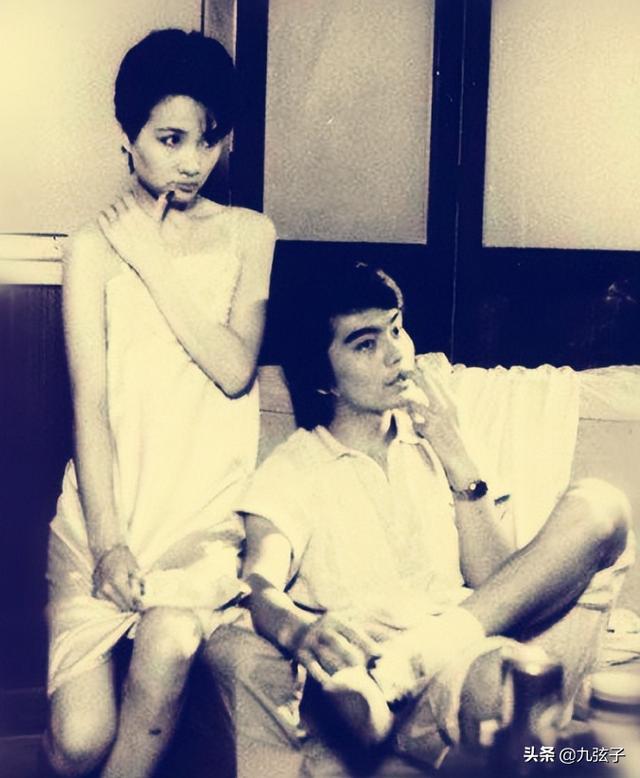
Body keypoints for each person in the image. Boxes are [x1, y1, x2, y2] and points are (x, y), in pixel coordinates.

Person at [204, 262, 633, 776]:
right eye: (366, 344)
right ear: (324, 380)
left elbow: (498, 583)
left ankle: (426, 661)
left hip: (465, 644)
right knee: (519, 692)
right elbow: (258, 584)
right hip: (393, 676)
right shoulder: (295, 468)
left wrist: (458, 458)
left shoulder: (435, 439)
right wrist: (299, 631)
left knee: (602, 506)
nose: (396, 354)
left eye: (396, 329)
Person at [44, 29, 276, 777]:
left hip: (198, 526)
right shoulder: (89, 247)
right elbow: (90, 405)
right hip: (105, 516)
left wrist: (150, 257)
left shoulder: (249, 234)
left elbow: (234, 369)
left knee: (170, 640)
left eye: (209, 140)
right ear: (128, 136)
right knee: (78, 743)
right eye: (170, 139)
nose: (192, 161)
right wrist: (108, 544)